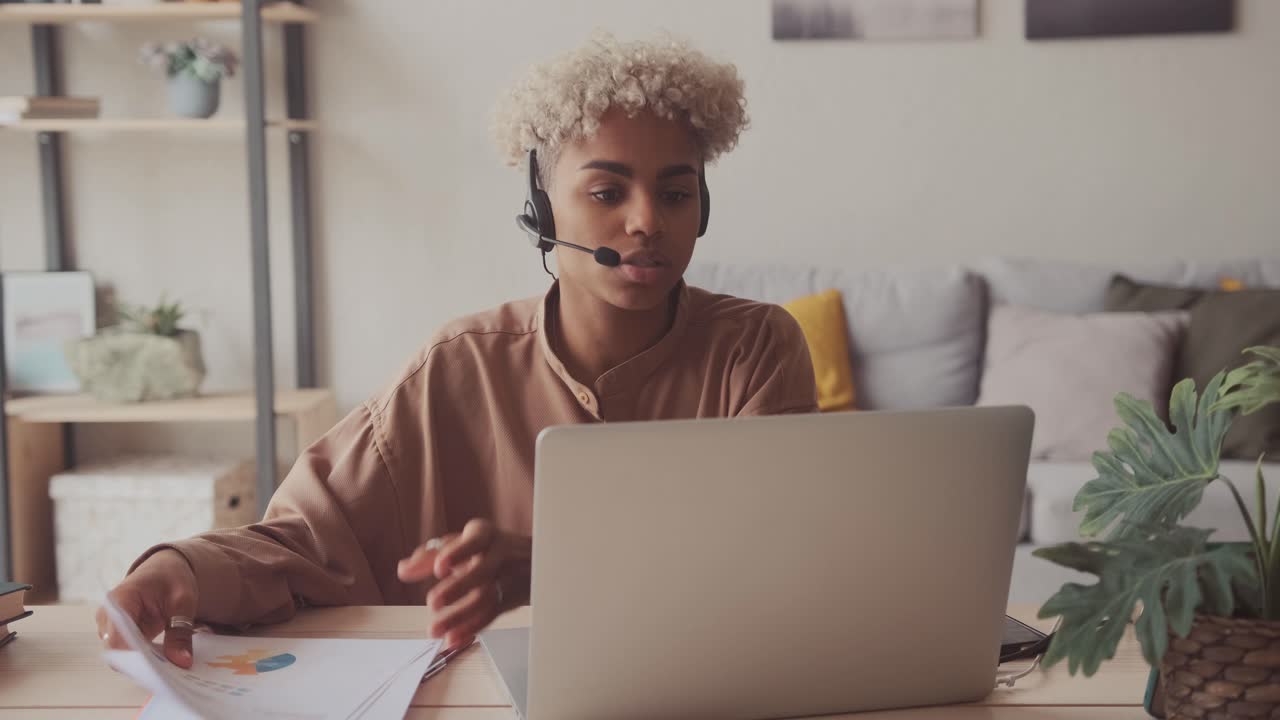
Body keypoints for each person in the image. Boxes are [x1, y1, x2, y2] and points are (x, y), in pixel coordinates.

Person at [96, 32, 818, 668]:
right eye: (606, 191)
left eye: (676, 193)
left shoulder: (756, 349)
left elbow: (764, 564)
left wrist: (545, 569)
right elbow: (305, 541)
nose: (646, 222)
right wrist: (179, 570)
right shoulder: (457, 364)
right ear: (542, 208)